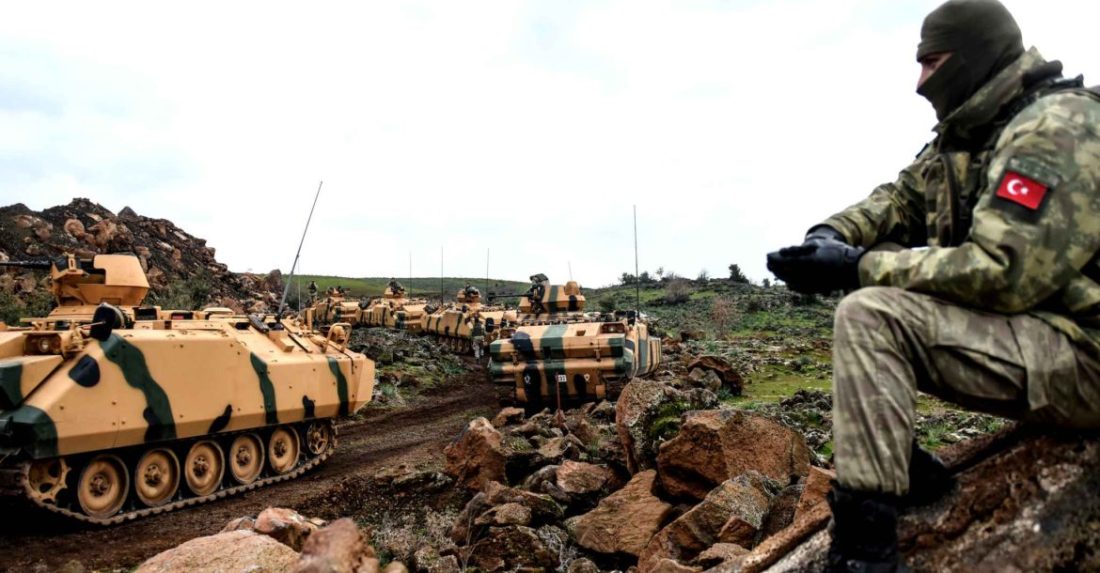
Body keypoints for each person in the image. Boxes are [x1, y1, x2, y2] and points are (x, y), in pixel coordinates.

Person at [765, 1, 1100, 571]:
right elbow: (898, 200)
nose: (921, 81)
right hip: (1048, 341)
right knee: (884, 278)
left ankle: (866, 550)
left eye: (932, 63)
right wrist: (827, 237)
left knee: (873, 311)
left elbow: (1004, 272)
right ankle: (892, 459)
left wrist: (855, 266)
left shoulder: (1055, 128)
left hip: (1086, 353)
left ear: (973, 57)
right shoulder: (968, 135)